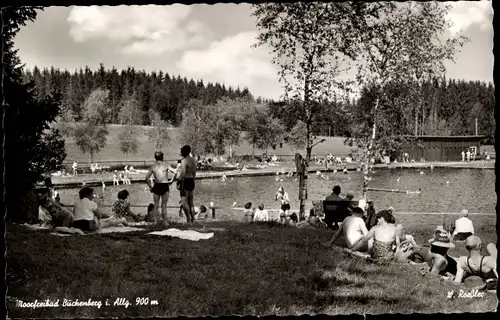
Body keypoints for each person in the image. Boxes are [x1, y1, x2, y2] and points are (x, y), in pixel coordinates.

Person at [145, 151, 177, 227]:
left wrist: (150, 187)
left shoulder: (153, 166)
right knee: (164, 205)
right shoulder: (166, 164)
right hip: (165, 185)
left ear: (155, 158)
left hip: (157, 185)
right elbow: (175, 172)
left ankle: (155, 221)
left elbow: (146, 178)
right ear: (162, 157)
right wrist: (172, 180)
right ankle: (165, 222)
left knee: (156, 205)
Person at [175, 145, 197, 224]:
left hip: (185, 181)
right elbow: (194, 172)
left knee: (184, 202)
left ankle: (188, 219)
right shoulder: (193, 160)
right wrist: (193, 179)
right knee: (191, 202)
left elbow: (183, 172)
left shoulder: (184, 160)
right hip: (191, 180)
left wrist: (178, 180)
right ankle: (193, 219)